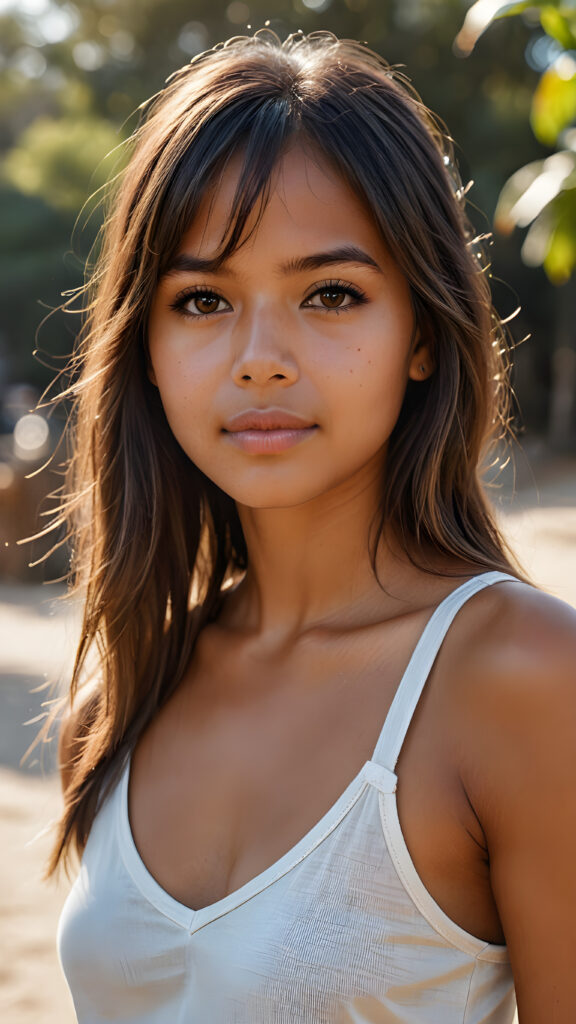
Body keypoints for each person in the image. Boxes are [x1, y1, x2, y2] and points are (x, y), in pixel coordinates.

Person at [49, 30, 576, 1024]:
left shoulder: (527, 679)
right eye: (201, 299)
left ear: (421, 332)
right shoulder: (123, 694)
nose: (259, 357)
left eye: (329, 293)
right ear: (148, 347)